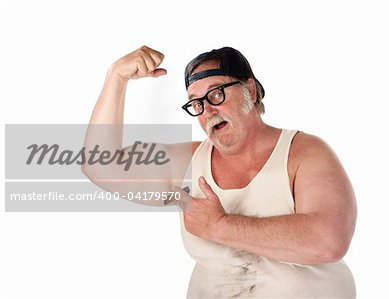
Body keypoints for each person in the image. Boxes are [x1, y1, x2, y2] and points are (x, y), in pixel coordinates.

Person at [83, 45, 357, 298]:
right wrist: (116, 79)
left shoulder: (304, 153)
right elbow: (99, 167)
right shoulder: (189, 162)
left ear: (250, 91)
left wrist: (219, 226)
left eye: (216, 94)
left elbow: (328, 241)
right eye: (197, 103)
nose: (208, 111)